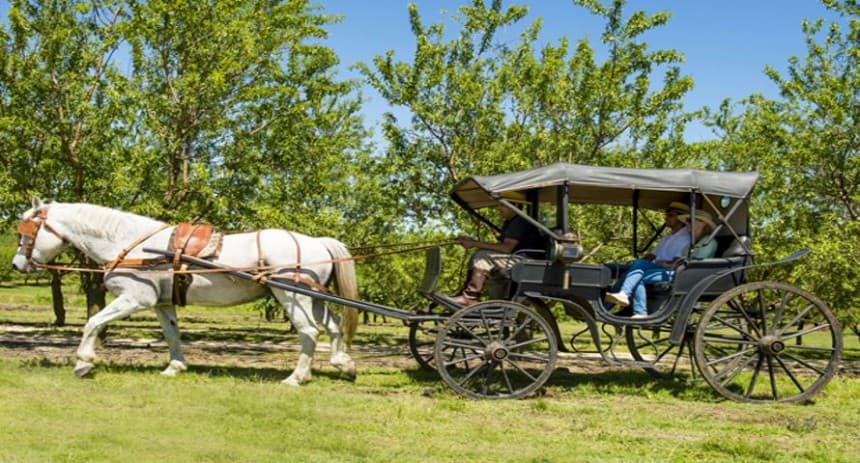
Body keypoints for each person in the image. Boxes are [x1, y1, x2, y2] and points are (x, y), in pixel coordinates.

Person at [605, 201, 697, 318]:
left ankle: (621, 306)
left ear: (680, 218)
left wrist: (657, 263)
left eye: (670, 215)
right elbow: (651, 255)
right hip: (653, 267)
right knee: (613, 268)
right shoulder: (668, 237)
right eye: (666, 214)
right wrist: (637, 264)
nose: (666, 217)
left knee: (635, 272)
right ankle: (610, 304)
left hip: (668, 270)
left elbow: (677, 261)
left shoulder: (685, 238)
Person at [449, 202, 545, 306]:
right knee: (479, 256)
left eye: (502, 205)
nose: (498, 208)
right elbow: (501, 247)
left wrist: (474, 243)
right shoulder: (510, 222)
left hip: (526, 261)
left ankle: (470, 297)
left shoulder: (519, 221)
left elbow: (506, 248)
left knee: (482, 257)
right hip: (518, 259)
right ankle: (474, 297)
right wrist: (473, 241)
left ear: (515, 205)